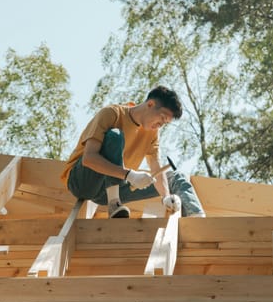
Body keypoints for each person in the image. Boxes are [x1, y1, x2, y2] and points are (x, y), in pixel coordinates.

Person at [60, 86, 206, 218]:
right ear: (150, 104)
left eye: (165, 123)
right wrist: (129, 174)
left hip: (107, 191)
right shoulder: (112, 114)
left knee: (175, 178)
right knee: (115, 136)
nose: (160, 125)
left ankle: (199, 223)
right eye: (162, 118)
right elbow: (89, 158)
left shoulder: (152, 133)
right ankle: (114, 202)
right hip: (83, 182)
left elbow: (156, 165)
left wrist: (165, 196)